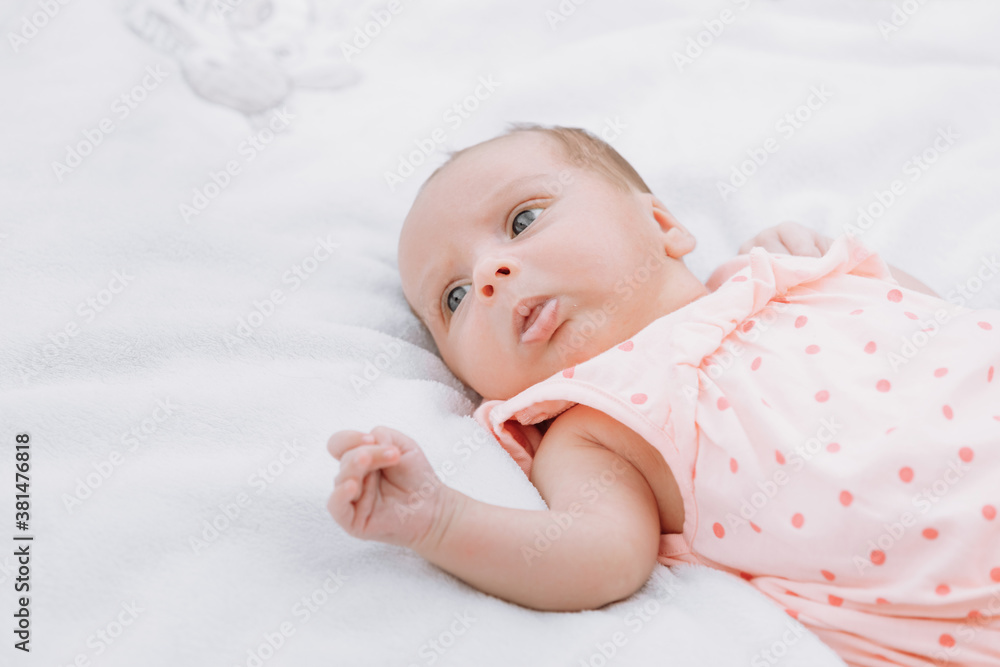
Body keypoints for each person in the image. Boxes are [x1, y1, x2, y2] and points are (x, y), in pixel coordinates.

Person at [327, 124, 1000, 666]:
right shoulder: (597, 424)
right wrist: (439, 520)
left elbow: (933, 326)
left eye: (523, 218)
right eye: (454, 296)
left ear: (661, 223)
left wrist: (841, 269)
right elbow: (598, 557)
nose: (489, 272)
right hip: (963, 588)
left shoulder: (781, 274)